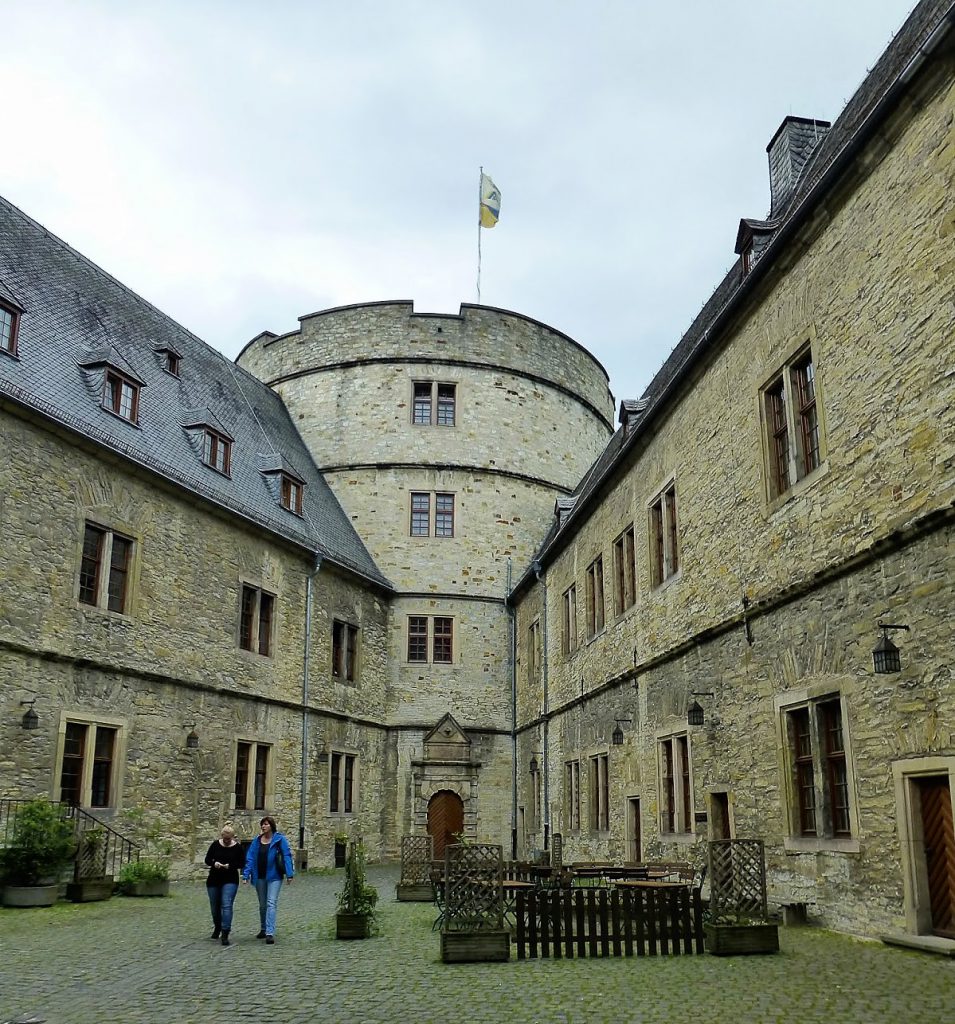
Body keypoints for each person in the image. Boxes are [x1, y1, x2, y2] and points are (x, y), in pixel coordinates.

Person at [242, 815, 294, 944]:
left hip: (274, 876)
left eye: (266, 824)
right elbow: (250, 858)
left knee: (271, 903)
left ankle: (270, 932)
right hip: (259, 876)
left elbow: (286, 855)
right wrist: (246, 874)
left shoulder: (279, 840)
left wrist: (289, 873)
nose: (263, 826)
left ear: (271, 826)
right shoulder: (256, 841)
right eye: (262, 824)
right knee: (262, 904)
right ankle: (263, 928)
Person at [204, 824, 244, 946]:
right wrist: (214, 863)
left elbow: (241, 862)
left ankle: (225, 932)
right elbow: (207, 859)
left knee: (226, 904)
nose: (226, 841)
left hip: (230, 879)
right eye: (225, 838)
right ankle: (218, 927)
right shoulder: (215, 845)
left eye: (229, 839)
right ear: (222, 836)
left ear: (232, 837)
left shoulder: (237, 848)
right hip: (214, 879)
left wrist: (230, 866)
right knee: (215, 907)